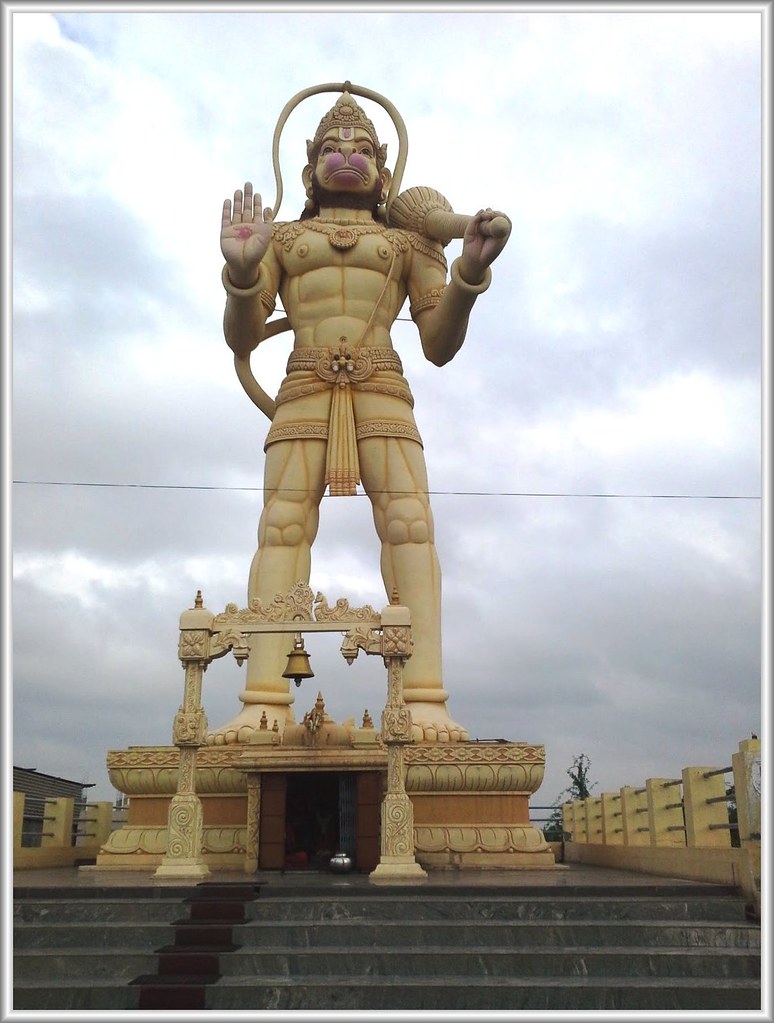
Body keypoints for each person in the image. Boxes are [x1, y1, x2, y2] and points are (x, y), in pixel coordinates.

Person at [207, 89, 509, 745]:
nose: (348, 154)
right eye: (334, 147)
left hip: (381, 384)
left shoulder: (407, 242)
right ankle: (263, 701)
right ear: (310, 162)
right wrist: (241, 273)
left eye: (363, 147)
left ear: (384, 169)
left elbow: (438, 343)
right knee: (282, 529)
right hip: (305, 381)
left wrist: (465, 277)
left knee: (410, 527)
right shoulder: (282, 238)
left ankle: (425, 698)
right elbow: (244, 336)